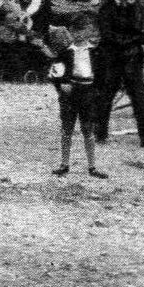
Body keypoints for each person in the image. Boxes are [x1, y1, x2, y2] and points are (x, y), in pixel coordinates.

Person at [94, 0, 144, 148]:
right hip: (111, 59)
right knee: (105, 95)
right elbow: (108, 36)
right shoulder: (106, 9)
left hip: (132, 59)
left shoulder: (138, 9)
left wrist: (136, 38)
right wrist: (134, 38)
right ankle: (98, 132)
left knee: (141, 96)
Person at [48, 19, 105, 178]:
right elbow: (55, 73)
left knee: (88, 129)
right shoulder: (65, 52)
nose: (79, 35)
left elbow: (103, 74)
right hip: (71, 92)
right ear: (70, 33)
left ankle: (92, 166)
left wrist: (98, 92)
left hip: (88, 91)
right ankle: (64, 164)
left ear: (90, 32)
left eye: (83, 31)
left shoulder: (96, 52)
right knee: (67, 128)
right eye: (75, 31)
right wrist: (61, 85)